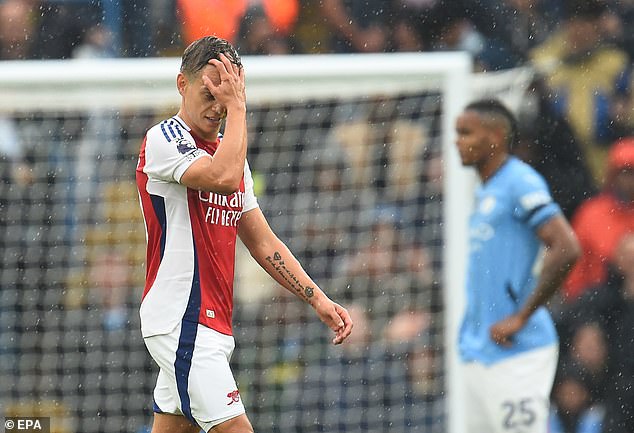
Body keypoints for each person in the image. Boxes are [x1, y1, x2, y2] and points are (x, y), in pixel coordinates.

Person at [135, 36, 353, 433]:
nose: (218, 105)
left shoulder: (231, 156)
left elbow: (263, 242)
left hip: (212, 323)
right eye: (209, 91)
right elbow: (221, 177)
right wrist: (238, 107)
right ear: (182, 84)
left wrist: (317, 299)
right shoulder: (163, 139)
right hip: (182, 318)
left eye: (228, 92)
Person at [454, 99, 580, 433]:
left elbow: (566, 247)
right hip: (478, 349)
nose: (457, 141)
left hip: (517, 352)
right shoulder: (487, 190)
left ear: (495, 136)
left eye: (466, 133)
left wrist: (521, 316)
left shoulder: (519, 182)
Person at [563, 137, 634, 300]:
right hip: (595, 306)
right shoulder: (591, 213)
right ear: (613, 175)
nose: (630, 181)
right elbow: (575, 270)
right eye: (625, 172)